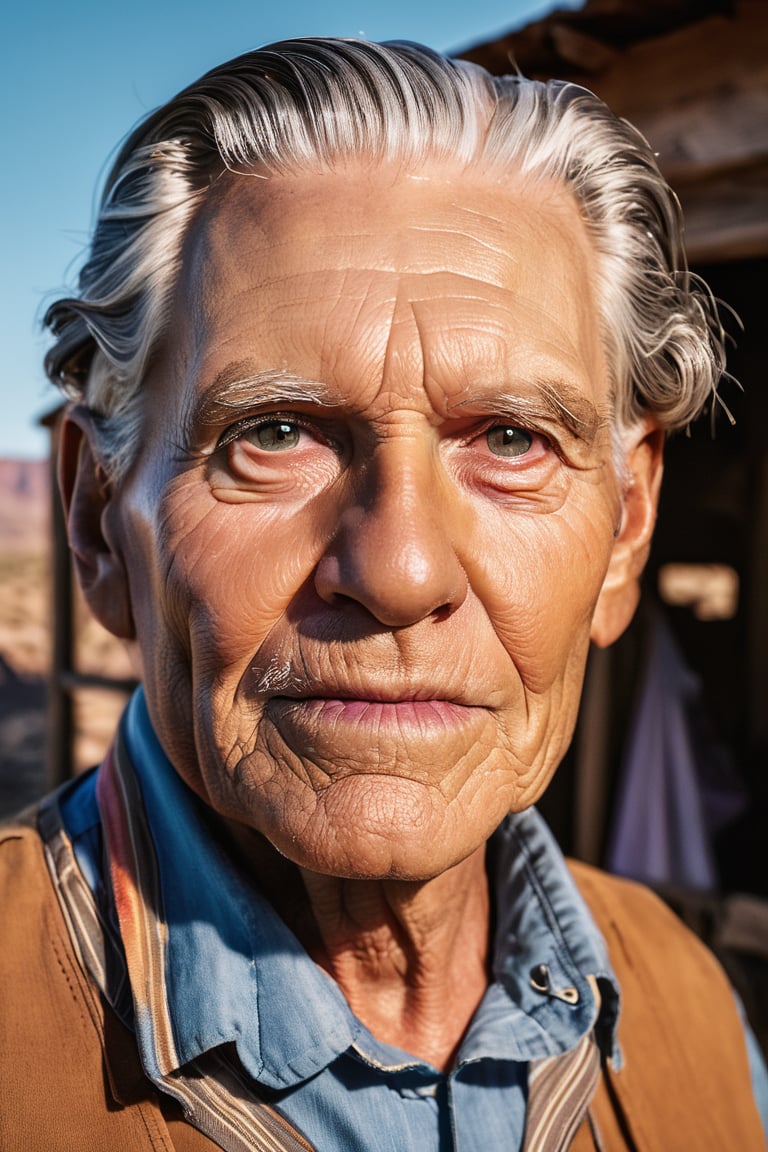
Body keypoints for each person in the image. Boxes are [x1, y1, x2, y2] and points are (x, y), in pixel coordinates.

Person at [1, 38, 766, 1151]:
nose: (401, 572)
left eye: (513, 439)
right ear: (95, 520)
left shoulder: (688, 1010)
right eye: (274, 434)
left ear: (624, 532)